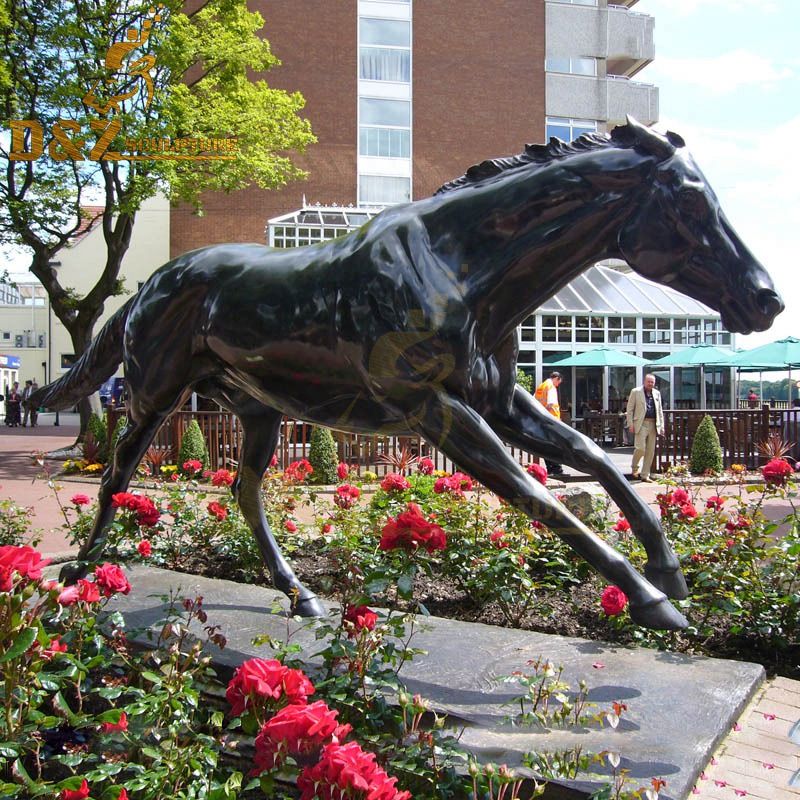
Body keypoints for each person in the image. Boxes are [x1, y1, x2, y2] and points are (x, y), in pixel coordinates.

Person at [625, 373, 664, 483]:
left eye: (652, 382)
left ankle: (645, 475)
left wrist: (662, 426)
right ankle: (634, 467)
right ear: (644, 381)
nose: (650, 384)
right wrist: (630, 424)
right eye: (649, 382)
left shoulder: (657, 393)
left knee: (650, 451)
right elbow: (630, 409)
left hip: (653, 424)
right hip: (640, 423)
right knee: (640, 448)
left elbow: (660, 410)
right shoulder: (636, 392)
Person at [535, 371, 564, 476]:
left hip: (541, 421)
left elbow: (534, 401)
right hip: (551, 420)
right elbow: (551, 403)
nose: (558, 385)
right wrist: (547, 414)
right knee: (555, 445)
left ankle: (550, 468)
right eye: (559, 382)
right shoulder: (551, 387)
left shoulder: (541, 386)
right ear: (556, 378)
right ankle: (557, 469)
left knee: (546, 445)